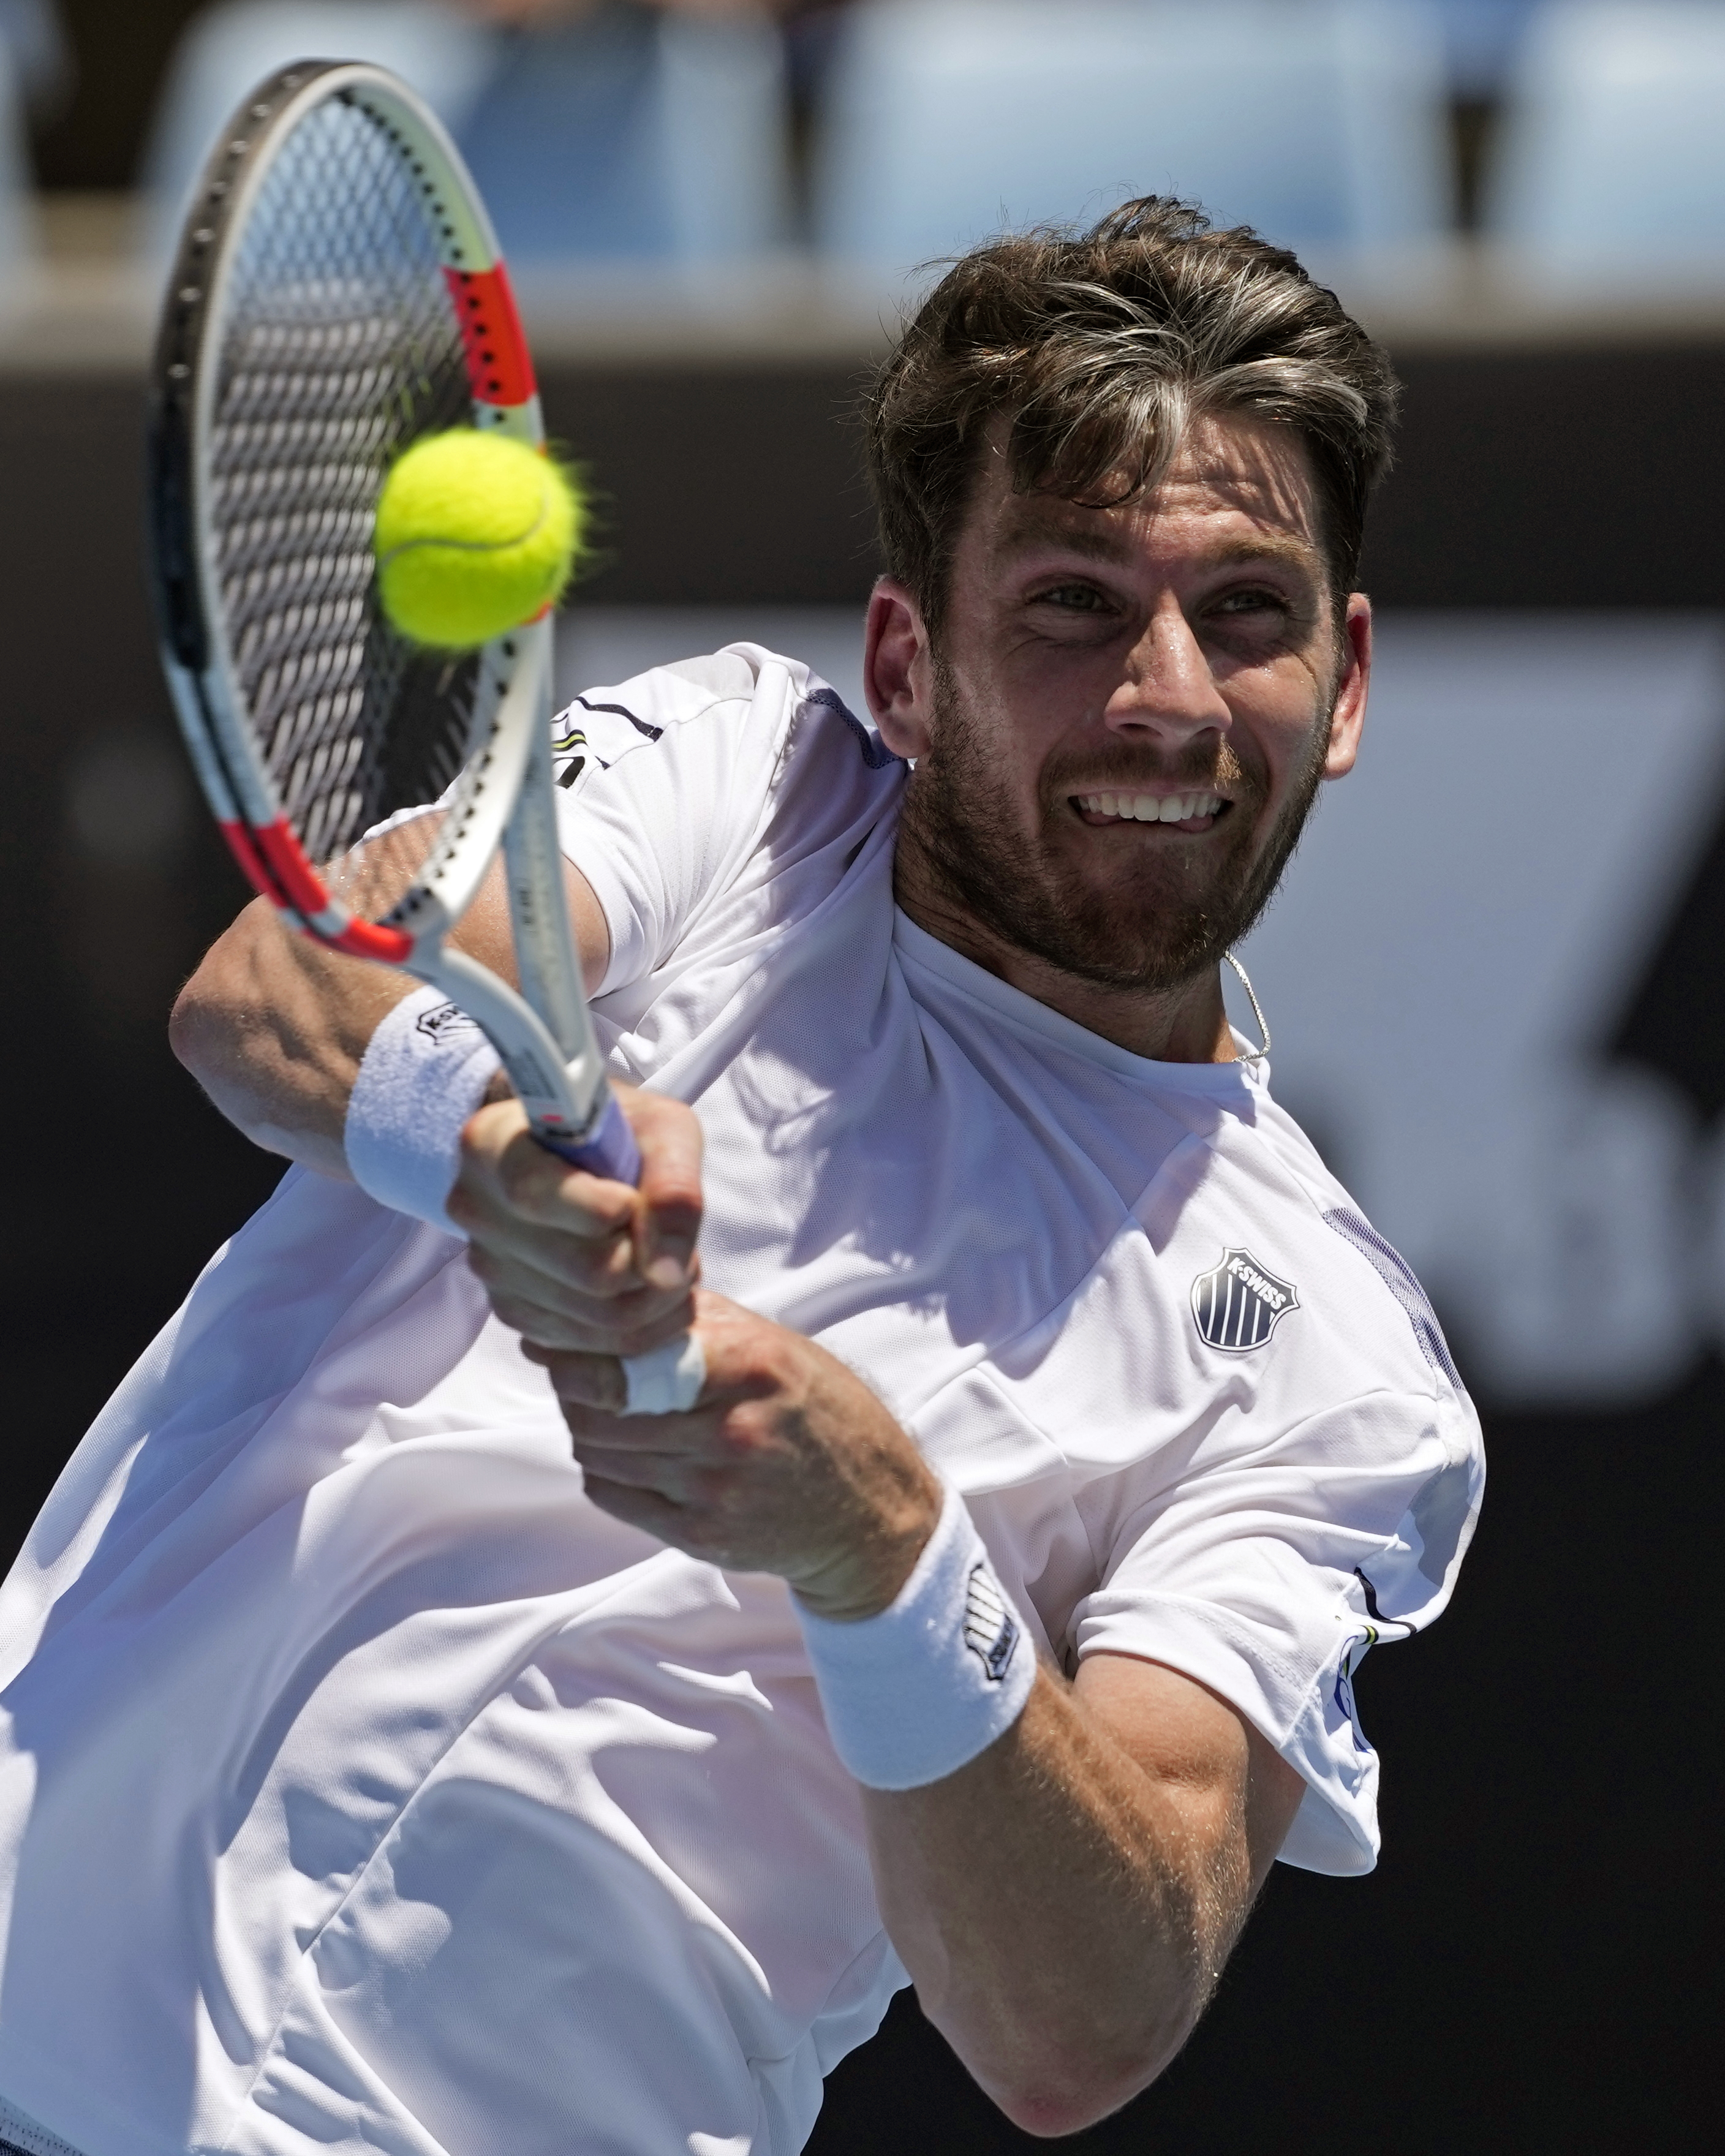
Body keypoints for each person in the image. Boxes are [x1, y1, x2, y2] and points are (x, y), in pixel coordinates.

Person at [0, 198, 1482, 2156]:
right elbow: (274, 989)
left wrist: (879, 1542)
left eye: (1247, 612)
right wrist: (495, 1151)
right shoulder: (751, 779)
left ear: (1349, 678)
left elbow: (1084, 2024)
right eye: (1071, 604)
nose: (1173, 696)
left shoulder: (1334, 1369)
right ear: (903, 657)